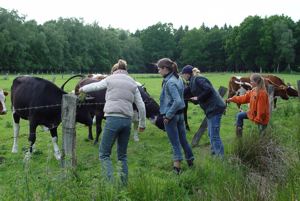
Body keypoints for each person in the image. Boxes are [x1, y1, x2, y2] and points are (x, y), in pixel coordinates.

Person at [79, 59, 146, 185]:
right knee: (122, 156)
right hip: (127, 121)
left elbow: (95, 86)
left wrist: (81, 89)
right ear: (126, 70)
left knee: (104, 154)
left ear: (114, 70)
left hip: (113, 119)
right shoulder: (132, 82)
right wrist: (142, 124)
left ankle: (111, 185)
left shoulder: (110, 79)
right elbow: (141, 105)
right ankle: (123, 184)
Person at [157, 58, 194, 174]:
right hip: (180, 115)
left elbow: (177, 101)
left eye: (159, 69)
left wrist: (168, 116)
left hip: (172, 116)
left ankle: (177, 168)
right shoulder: (178, 79)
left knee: (175, 143)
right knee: (183, 140)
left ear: (165, 68)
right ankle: (191, 161)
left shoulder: (170, 82)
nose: (158, 71)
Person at [181, 65, 226, 157]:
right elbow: (187, 93)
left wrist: (198, 98)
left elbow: (208, 89)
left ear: (187, 74)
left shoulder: (198, 79)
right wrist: (193, 99)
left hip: (215, 107)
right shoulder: (192, 82)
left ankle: (220, 157)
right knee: (211, 134)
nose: (182, 77)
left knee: (214, 135)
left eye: (183, 74)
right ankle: (214, 154)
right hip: (210, 109)